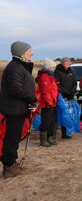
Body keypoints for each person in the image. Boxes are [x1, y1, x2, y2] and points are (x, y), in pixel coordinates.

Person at [0, 41, 38, 178]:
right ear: (21, 53)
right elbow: (16, 89)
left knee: (14, 138)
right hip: (13, 109)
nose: (32, 53)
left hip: (18, 108)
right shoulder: (15, 67)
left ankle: (11, 163)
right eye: (29, 51)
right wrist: (32, 99)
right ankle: (8, 166)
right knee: (12, 138)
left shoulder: (20, 66)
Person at [36, 58, 60, 147]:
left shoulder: (50, 75)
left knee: (52, 121)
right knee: (46, 121)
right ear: (48, 67)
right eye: (53, 67)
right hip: (47, 103)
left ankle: (50, 138)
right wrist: (49, 102)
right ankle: (43, 140)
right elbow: (45, 91)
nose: (54, 68)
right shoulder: (44, 76)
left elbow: (53, 89)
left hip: (53, 102)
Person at [54, 57, 77, 139]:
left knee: (67, 115)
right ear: (62, 63)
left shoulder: (72, 71)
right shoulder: (57, 71)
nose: (67, 63)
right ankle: (53, 135)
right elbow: (57, 84)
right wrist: (65, 92)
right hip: (61, 96)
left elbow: (74, 83)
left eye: (69, 62)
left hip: (70, 96)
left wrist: (72, 91)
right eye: (65, 62)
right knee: (59, 115)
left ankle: (65, 133)